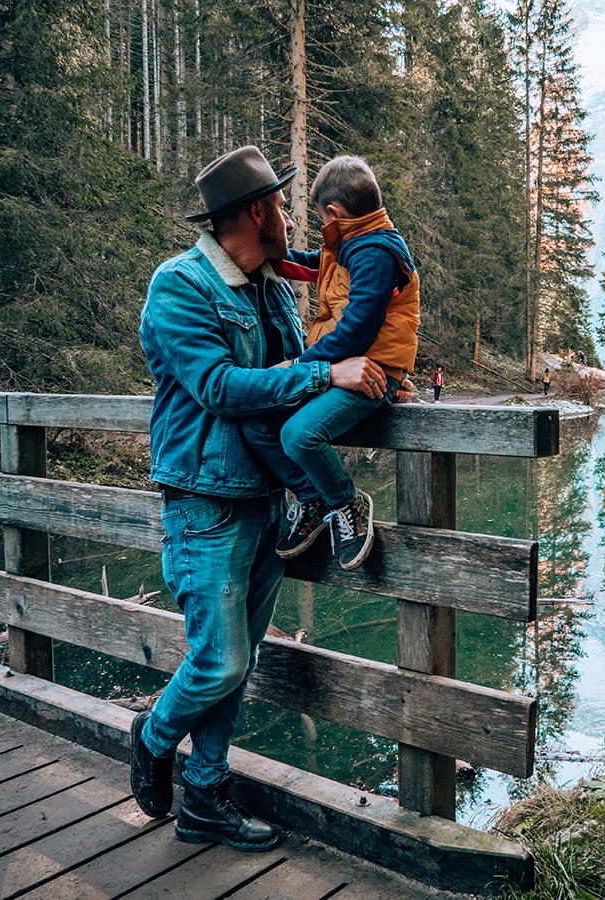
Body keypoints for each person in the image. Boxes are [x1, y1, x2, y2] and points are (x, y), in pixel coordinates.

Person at [131, 146, 393, 853]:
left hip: (268, 501)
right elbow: (219, 388)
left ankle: (206, 799)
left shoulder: (274, 286)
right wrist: (325, 375)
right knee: (217, 662)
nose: (287, 216)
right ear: (254, 212)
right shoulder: (179, 286)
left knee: (238, 664)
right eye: (278, 205)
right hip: (204, 502)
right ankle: (153, 736)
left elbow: (301, 362)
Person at [239, 155, 420, 568]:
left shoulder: (375, 253)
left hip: (373, 374)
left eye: (322, 216)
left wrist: (301, 365)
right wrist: (269, 257)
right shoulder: (353, 247)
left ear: (335, 212)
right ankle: (314, 499)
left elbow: (357, 329)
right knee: (259, 423)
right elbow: (314, 267)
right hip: (342, 370)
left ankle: (346, 502)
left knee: (299, 435)